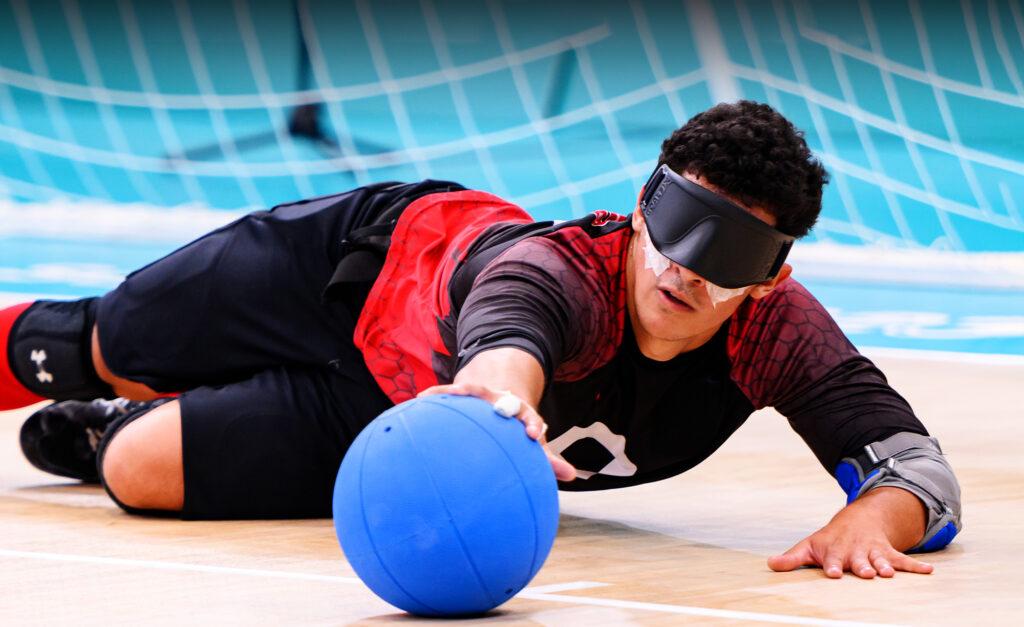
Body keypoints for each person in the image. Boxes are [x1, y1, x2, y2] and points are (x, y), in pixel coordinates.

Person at [0, 101, 960, 579]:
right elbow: (509, 331)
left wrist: (873, 520)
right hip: (354, 272)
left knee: (138, 471)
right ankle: (118, 380)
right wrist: (499, 396)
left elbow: (918, 469)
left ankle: (117, 427)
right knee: (92, 339)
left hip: (388, 413)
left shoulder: (774, 332)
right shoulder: (563, 272)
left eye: (733, 254)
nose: (684, 268)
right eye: (675, 226)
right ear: (639, 207)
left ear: (773, 276)